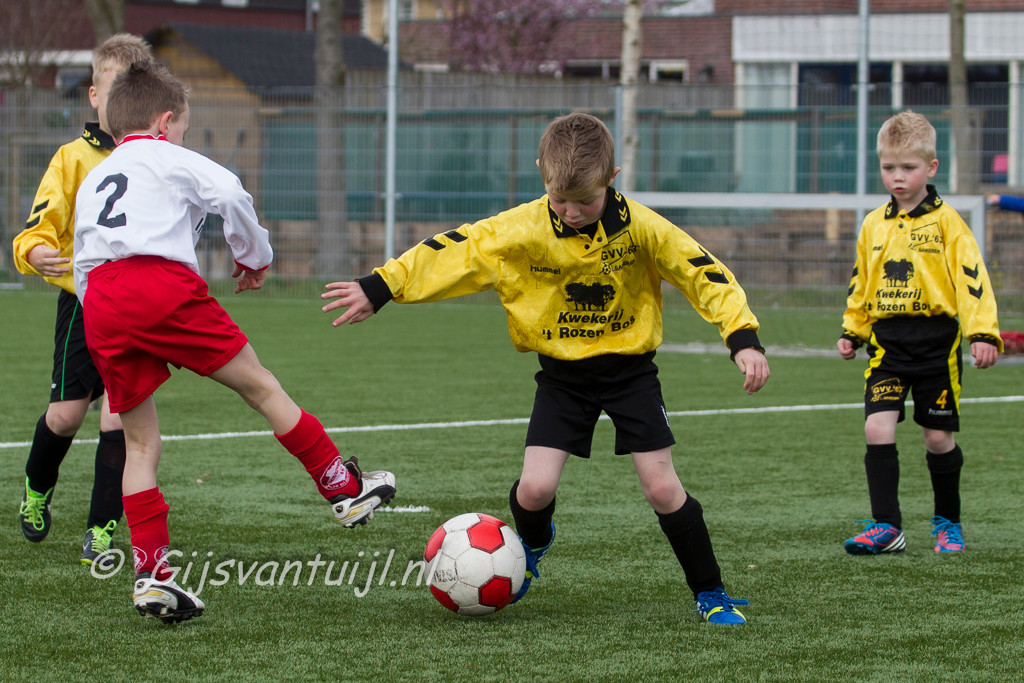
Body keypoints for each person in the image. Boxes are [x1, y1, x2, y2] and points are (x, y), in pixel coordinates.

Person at [322, 112, 770, 625]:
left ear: (612, 179)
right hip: (562, 378)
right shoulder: (519, 228)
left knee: (663, 489)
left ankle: (710, 592)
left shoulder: (645, 228)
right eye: (560, 200)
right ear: (542, 173)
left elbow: (704, 273)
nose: (572, 212)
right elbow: (453, 251)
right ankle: (530, 548)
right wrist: (381, 286)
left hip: (630, 374)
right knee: (534, 490)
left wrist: (742, 338)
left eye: (586, 201)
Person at [73, 60, 395, 622]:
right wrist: (254, 256)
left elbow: (83, 260)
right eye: (184, 127)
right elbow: (228, 189)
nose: (183, 137)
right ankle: (342, 488)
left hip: (100, 301)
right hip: (159, 286)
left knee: (141, 445)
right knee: (261, 387)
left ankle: (152, 576)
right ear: (166, 122)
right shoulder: (167, 154)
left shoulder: (93, 179)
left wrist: (105, 316)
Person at [12, 34, 153, 570]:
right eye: (113, 91)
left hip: (136, 307)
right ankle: (37, 488)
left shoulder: (156, 157)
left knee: (119, 421)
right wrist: (35, 251)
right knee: (66, 415)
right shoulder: (72, 157)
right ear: (94, 95)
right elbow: (37, 226)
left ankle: (101, 528)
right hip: (84, 304)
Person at [838, 110, 1002, 556]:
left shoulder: (949, 223)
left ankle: (948, 522)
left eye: (908, 167)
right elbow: (861, 280)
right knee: (877, 427)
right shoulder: (874, 223)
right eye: (888, 167)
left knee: (937, 437)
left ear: (931, 168)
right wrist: (853, 329)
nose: (897, 176)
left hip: (936, 344)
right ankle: (886, 526)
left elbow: (972, 280)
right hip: (887, 345)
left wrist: (982, 333)